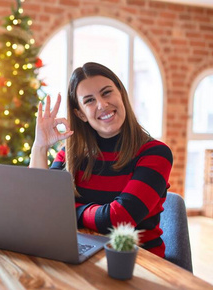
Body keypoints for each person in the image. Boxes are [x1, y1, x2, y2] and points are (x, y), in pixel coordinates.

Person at [30, 62, 173, 258]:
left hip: (138, 261)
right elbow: (41, 206)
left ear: (121, 94)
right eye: (89, 100)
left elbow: (118, 219)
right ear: (80, 113)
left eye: (106, 93)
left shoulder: (155, 153)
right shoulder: (70, 153)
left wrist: (66, 209)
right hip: (79, 252)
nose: (102, 104)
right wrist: (40, 146)